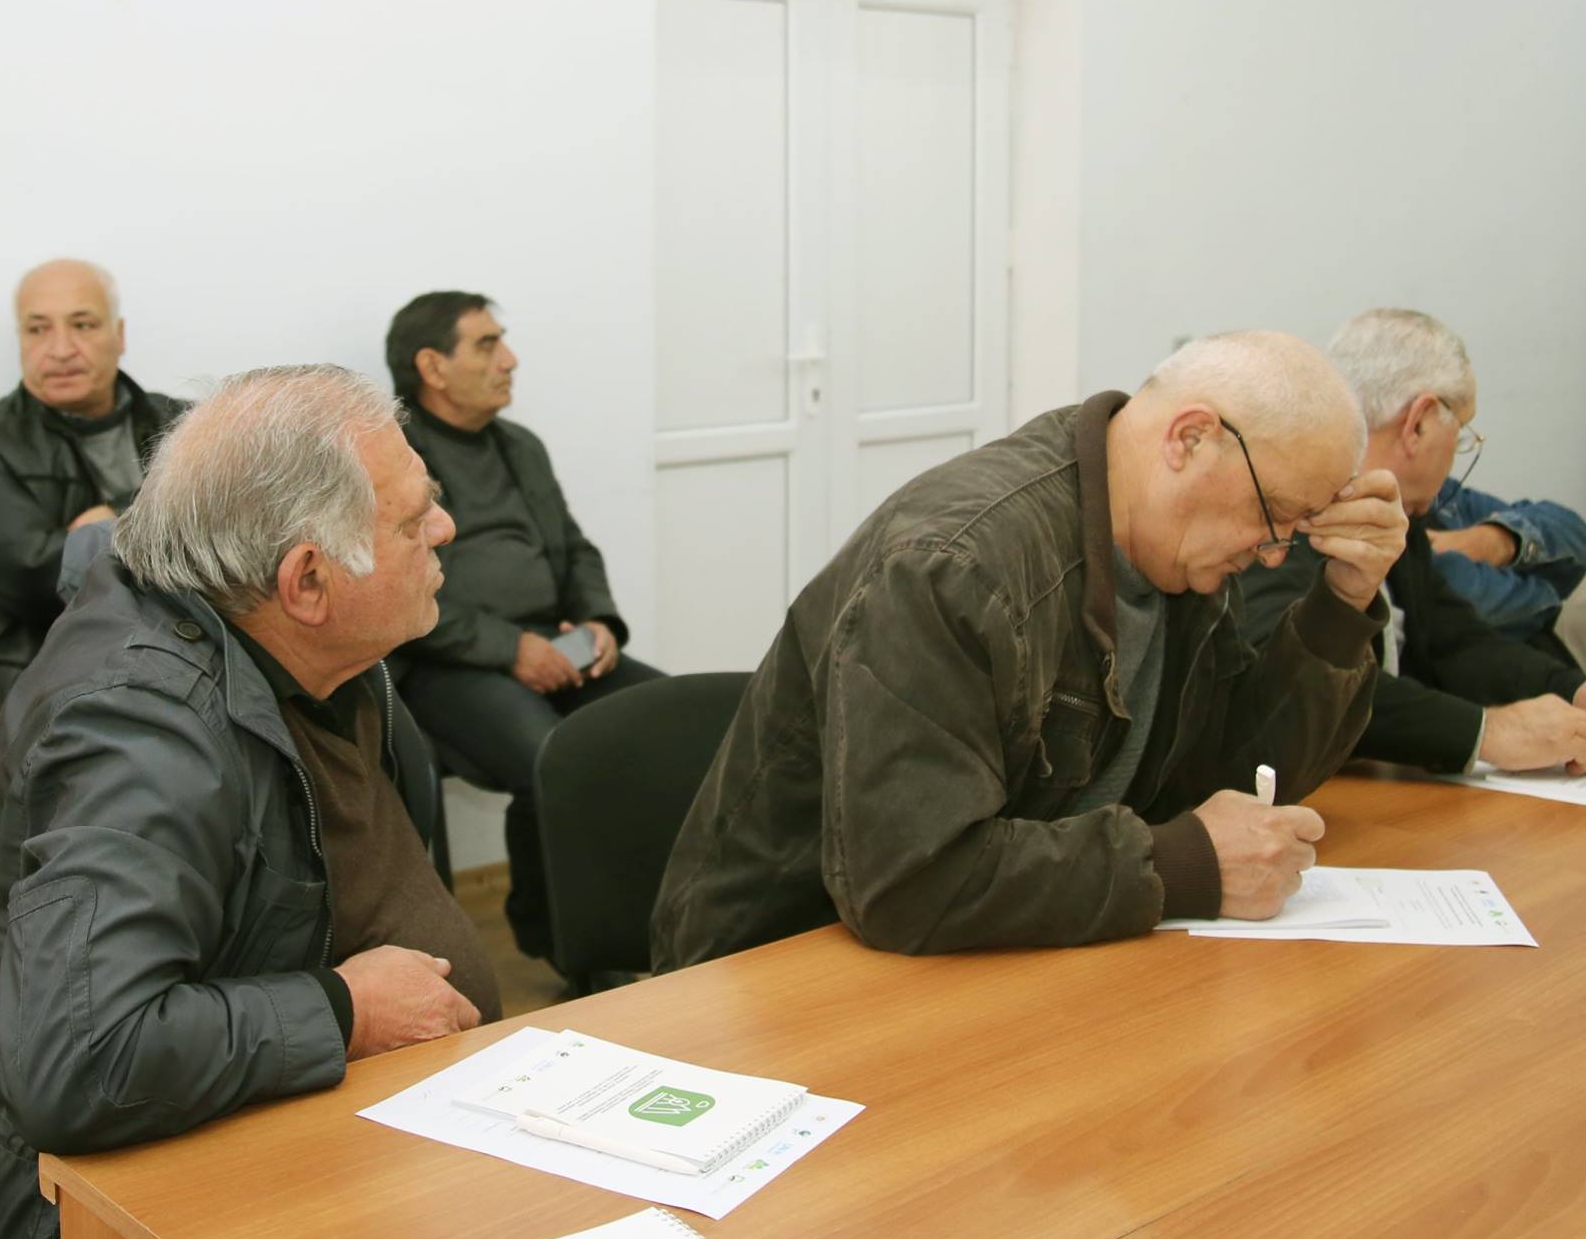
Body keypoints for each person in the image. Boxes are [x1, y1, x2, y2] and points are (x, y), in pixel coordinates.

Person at [653, 331, 1406, 968]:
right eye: (1274, 516)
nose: (1273, 554)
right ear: (1190, 439)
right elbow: (909, 881)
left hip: (998, 954)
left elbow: (1237, 783)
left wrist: (1342, 605)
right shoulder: (955, 566)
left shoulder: (1183, 548)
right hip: (778, 971)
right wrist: (1181, 866)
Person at [0, 364, 495, 1239]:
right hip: (139, 1207)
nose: (444, 527)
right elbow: (83, 1060)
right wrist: (347, 1012)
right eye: (411, 519)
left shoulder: (325, 653)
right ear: (306, 583)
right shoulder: (138, 737)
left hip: (370, 1126)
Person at [382, 291, 662, 963]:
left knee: (669, 719)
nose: (509, 360)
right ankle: (567, 944)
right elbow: (393, 587)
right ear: (432, 366)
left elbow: (576, 546)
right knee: (555, 759)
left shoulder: (520, 446)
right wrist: (512, 649)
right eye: (487, 344)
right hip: (449, 662)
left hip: (555, 641)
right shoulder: (392, 457)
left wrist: (598, 621)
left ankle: (656, 919)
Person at [1241, 309, 1586, 773]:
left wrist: (1570, 689)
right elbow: (1294, 683)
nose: (1457, 455)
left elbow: (1452, 640)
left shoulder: (1395, 510)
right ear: (1418, 423)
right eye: (1460, 435)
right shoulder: (1291, 510)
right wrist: (1487, 731)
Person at [0, 259, 188, 692]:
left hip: (185, 663)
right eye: (38, 329)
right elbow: (36, 579)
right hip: (48, 683)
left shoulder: (184, 424)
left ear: (119, 335)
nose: (61, 349)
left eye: (82, 325)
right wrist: (174, 524)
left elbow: (234, 530)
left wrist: (113, 517)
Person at [1428, 476, 1586, 659]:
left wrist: (1501, 540)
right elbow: (1471, 604)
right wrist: (1551, 594)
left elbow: (1572, 528)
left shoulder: (1441, 494)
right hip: (1534, 650)